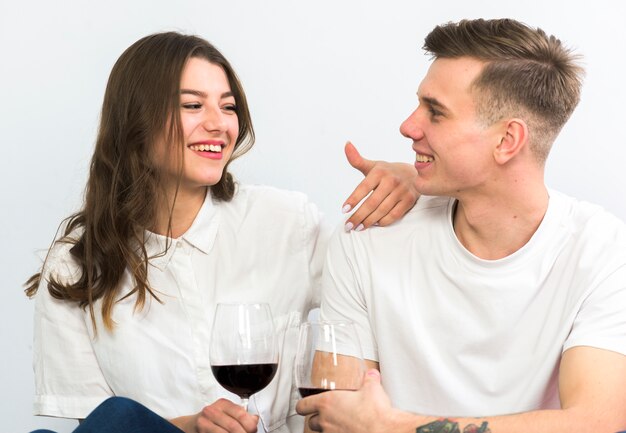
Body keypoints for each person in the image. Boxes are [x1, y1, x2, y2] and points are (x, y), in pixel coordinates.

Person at [25, 32, 420, 433]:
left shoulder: (286, 222)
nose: (218, 124)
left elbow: (385, 296)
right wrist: (190, 427)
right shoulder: (74, 264)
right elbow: (100, 428)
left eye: (228, 107)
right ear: (136, 121)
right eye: (193, 105)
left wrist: (415, 184)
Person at [296, 18, 626, 433]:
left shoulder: (600, 250)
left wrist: (390, 426)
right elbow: (331, 418)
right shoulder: (368, 236)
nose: (408, 126)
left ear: (507, 141)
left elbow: (596, 420)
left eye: (435, 112)